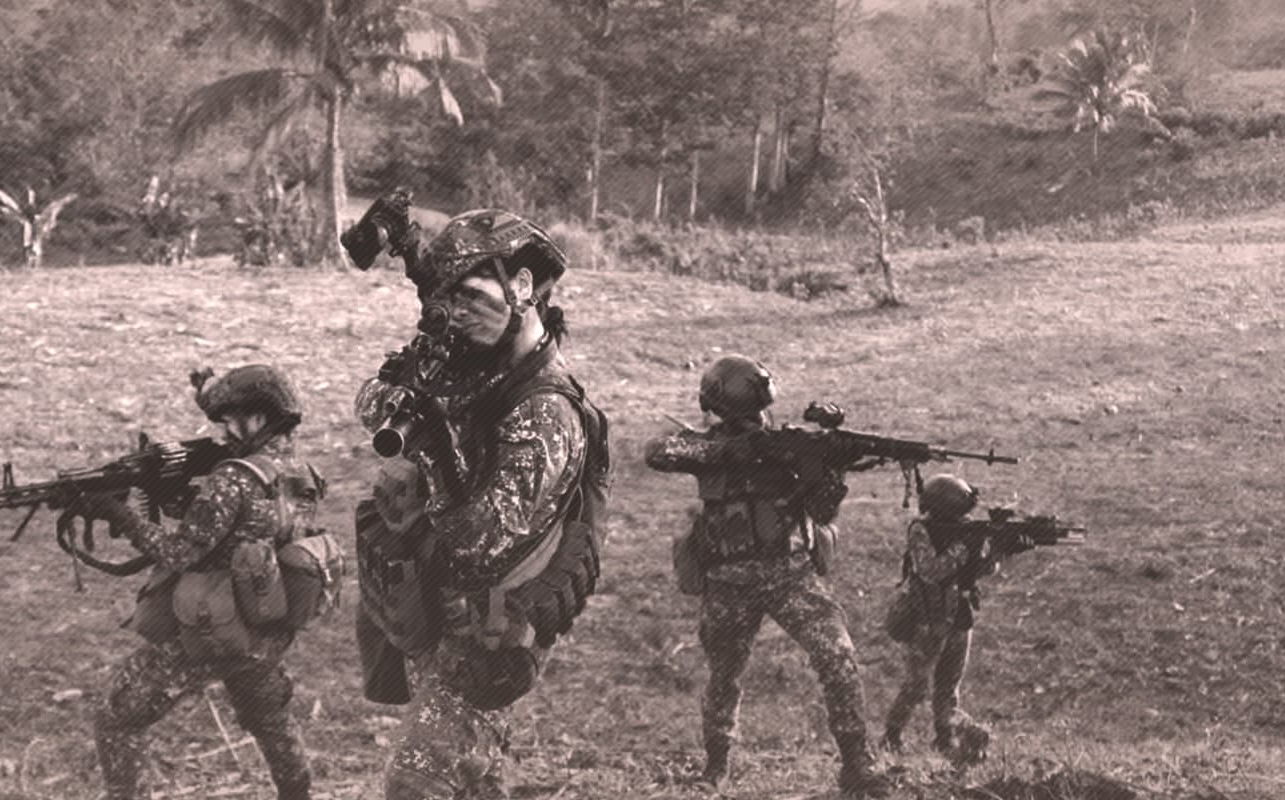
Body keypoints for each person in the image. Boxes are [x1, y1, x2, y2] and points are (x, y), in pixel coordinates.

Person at [351, 207, 610, 800]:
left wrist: (437, 447)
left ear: (522, 287)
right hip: (434, 612)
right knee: (474, 783)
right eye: (447, 299)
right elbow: (371, 400)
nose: (455, 313)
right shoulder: (472, 363)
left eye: (471, 295)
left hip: (486, 628)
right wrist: (403, 395)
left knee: (414, 784)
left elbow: (477, 542)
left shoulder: (545, 410)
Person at [65, 365, 325, 800]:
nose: (223, 429)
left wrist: (118, 513)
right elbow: (248, 530)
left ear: (259, 417)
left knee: (117, 713)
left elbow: (178, 554)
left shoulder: (232, 479)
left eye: (231, 418)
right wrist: (181, 500)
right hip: (267, 630)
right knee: (269, 719)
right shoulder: (302, 472)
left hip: (214, 632)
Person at [643, 355, 893, 797]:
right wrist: (735, 451)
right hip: (728, 582)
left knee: (838, 656)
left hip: (791, 574)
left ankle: (858, 764)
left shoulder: (790, 447)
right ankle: (715, 769)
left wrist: (829, 469)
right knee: (724, 676)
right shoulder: (709, 446)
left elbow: (821, 511)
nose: (759, 420)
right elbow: (659, 452)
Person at [882, 474, 996, 764]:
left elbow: (978, 570)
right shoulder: (921, 529)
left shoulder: (966, 531)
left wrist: (997, 551)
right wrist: (963, 547)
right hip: (928, 618)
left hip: (959, 616)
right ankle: (892, 736)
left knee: (949, 685)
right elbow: (930, 570)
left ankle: (945, 738)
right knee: (916, 685)